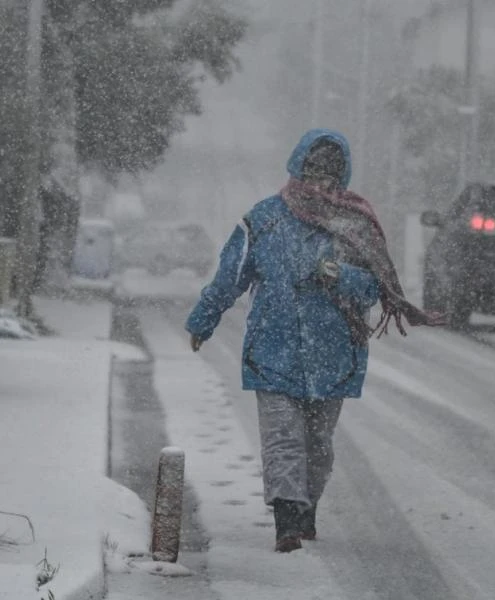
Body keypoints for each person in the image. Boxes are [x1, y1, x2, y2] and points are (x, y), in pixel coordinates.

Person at [185, 129, 444, 552]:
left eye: (330, 172)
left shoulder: (355, 226)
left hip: (333, 354)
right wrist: (204, 319)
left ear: (342, 176)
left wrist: (343, 275)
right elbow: (230, 275)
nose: (320, 180)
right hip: (273, 350)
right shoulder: (263, 220)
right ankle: (287, 518)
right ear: (297, 167)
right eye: (313, 170)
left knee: (317, 445)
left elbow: (374, 289)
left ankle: (306, 509)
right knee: (282, 437)